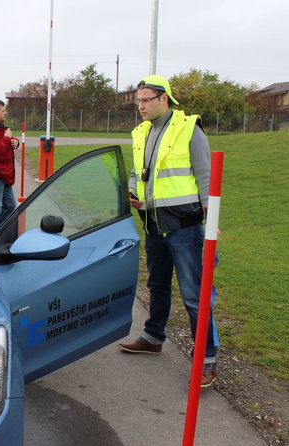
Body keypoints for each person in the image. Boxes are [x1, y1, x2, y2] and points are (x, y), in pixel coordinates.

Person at [118, 75, 219, 388]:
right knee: (157, 284)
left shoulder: (189, 128)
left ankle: (207, 360)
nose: (141, 106)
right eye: (138, 101)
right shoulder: (142, 132)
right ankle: (153, 336)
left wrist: (211, 224)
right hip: (153, 223)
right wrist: (134, 191)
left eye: (146, 100)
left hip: (184, 226)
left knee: (194, 294)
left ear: (165, 99)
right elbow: (139, 171)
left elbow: (206, 177)